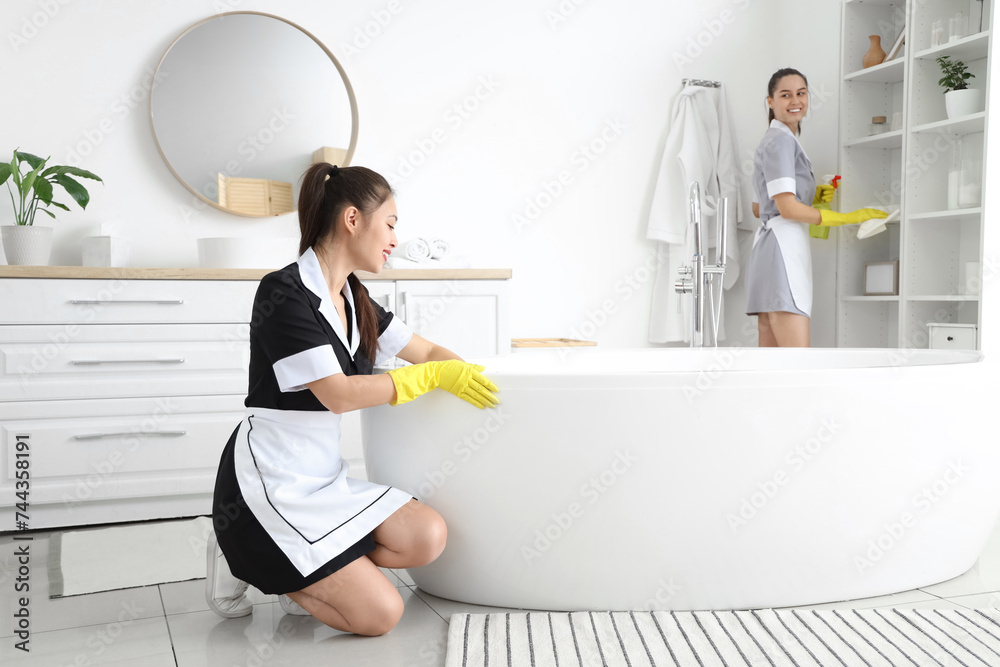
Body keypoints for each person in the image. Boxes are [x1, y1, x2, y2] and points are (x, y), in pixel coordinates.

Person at [205, 163, 499, 636]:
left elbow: (424, 351)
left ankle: (309, 565)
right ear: (353, 220)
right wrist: (423, 381)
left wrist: (466, 374)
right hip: (270, 480)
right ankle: (247, 553)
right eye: (391, 224)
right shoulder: (283, 293)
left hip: (323, 476)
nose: (395, 239)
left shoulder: (355, 298)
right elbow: (337, 394)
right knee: (380, 615)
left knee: (427, 536)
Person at [745, 67, 887, 347]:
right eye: (785, 95)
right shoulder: (781, 142)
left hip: (769, 252)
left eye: (801, 93)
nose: (795, 101)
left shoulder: (778, 140)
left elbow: (758, 207)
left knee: (772, 369)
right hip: (782, 253)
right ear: (770, 101)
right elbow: (786, 210)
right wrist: (845, 218)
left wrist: (812, 201)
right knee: (798, 364)